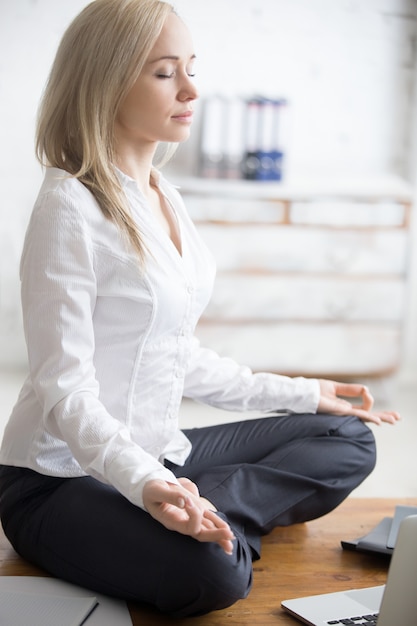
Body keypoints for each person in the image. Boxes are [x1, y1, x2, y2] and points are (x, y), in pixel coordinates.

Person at [0, 0, 400, 618]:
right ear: (105, 81)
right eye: (164, 72)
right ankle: (205, 518)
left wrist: (300, 392)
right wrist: (145, 484)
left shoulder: (164, 195)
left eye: (191, 67)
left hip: (157, 451)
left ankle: (210, 509)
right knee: (216, 578)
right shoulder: (69, 207)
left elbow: (175, 355)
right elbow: (64, 389)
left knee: (344, 436)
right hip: (58, 480)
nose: (191, 88)